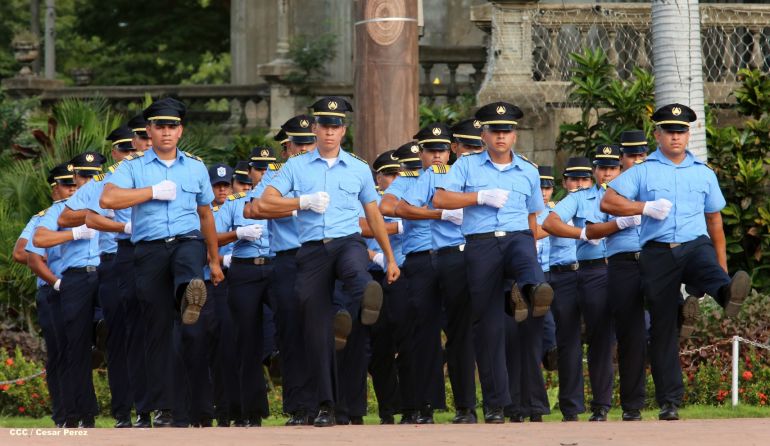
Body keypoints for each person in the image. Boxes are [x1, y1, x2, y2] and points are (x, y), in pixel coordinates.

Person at [601, 103, 750, 421]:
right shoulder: (642, 171)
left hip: (695, 244)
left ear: (689, 134)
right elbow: (609, 201)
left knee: (708, 266)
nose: (675, 137)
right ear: (657, 135)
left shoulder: (703, 173)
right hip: (657, 251)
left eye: (681, 131)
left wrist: (722, 268)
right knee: (664, 326)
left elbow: (715, 223)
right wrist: (643, 207)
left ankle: (726, 292)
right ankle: (670, 401)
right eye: (669, 131)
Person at [259, 96, 399, 427]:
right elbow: (266, 201)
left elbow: (374, 215)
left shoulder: (359, 168)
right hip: (310, 249)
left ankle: (367, 294)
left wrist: (390, 258)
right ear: (316, 129)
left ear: (343, 131)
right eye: (324, 126)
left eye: (336, 127)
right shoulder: (296, 166)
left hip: (347, 240)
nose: (330, 132)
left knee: (355, 269)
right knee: (315, 328)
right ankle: (325, 405)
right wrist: (302, 202)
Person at [100, 97, 224, 427]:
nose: (166, 132)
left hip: (187, 241)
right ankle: (164, 408)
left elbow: (206, 215)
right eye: (159, 126)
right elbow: (108, 198)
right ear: (149, 131)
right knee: (157, 334)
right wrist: (151, 192)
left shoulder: (196, 167)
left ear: (180, 131)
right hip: (149, 251)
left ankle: (188, 292)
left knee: (187, 265)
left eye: (172, 126)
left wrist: (213, 260)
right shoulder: (133, 167)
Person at [433, 101, 552, 423]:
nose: (502, 136)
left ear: (515, 135)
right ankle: (496, 405)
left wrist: (533, 245)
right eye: (495, 131)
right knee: (487, 327)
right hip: (481, 244)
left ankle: (533, 288)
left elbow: (533, 218)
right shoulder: (466, 167)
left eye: (507, 131)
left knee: (527, 259)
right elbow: (441, 199)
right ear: (483, 134)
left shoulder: (528, 170)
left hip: (517, 238)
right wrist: (478, 197)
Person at [399, 122, 477, 424]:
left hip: (456, 254)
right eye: (431, 150)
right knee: (425, 333)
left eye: (442, 150)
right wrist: (438, 213)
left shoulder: (465, 173)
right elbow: (398, 206)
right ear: (421, 152)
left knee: (461, 333)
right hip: (421, 259)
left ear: (452, 151)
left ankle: (466, 406)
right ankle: (426, 406)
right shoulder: (425, 176)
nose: (437, 156)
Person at [245, 115, 318, 426]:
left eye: (308, 143)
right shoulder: (275, 177)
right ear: (286, 147)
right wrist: (300, 203)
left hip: (322, 256)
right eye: (297, 144)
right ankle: (298, 407)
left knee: (324, 332)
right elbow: (254, 208)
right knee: (290, 334)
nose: (302, 149)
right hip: (288, 258)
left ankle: (329, 404)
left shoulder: (326, 172)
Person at [542, 147, 620, 422]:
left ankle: (601, 406)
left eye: (584, 178)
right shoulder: (574, 200)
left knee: (600, 338)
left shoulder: (617, 197)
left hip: (597, 271)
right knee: (568, 341)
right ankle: (571, 408)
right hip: (564, 275)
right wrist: (584, 232)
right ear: (565, 182)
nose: (579, 184)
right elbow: (547, 224)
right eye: (573, 179)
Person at [33, 152, 106, 428]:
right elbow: (39, 239)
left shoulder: (111, 201)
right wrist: (73, 233)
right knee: (75, 349)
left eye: (93, 175)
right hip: (74, 279)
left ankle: (101, 329)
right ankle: (80, 413)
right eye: (82, 177)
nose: (86, 183)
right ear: (74, 179)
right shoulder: (59, 210)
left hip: (106, 273)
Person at [16, 162, 76, 428]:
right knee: (60, 352)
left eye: (75, 184)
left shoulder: (89, 212)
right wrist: (54, 277)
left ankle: (82, 410)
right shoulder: (42, 218)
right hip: (53, 290)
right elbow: (21, 252)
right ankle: (63, 414)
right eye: (66, 185)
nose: (72, 189)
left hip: (83, 288)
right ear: (55, 190)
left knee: (82, 351)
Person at [365, 150, 414, 425]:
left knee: (408, 343)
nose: (395, 179)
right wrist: (376, 255)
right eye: (390, 175)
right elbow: (356, 232)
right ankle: (387, 409)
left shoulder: (409, 198)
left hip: (406, 275)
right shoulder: (369, 200)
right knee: (379, 345)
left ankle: (410, 407)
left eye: (399, 174)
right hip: (375, 275)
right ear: (379, 178)